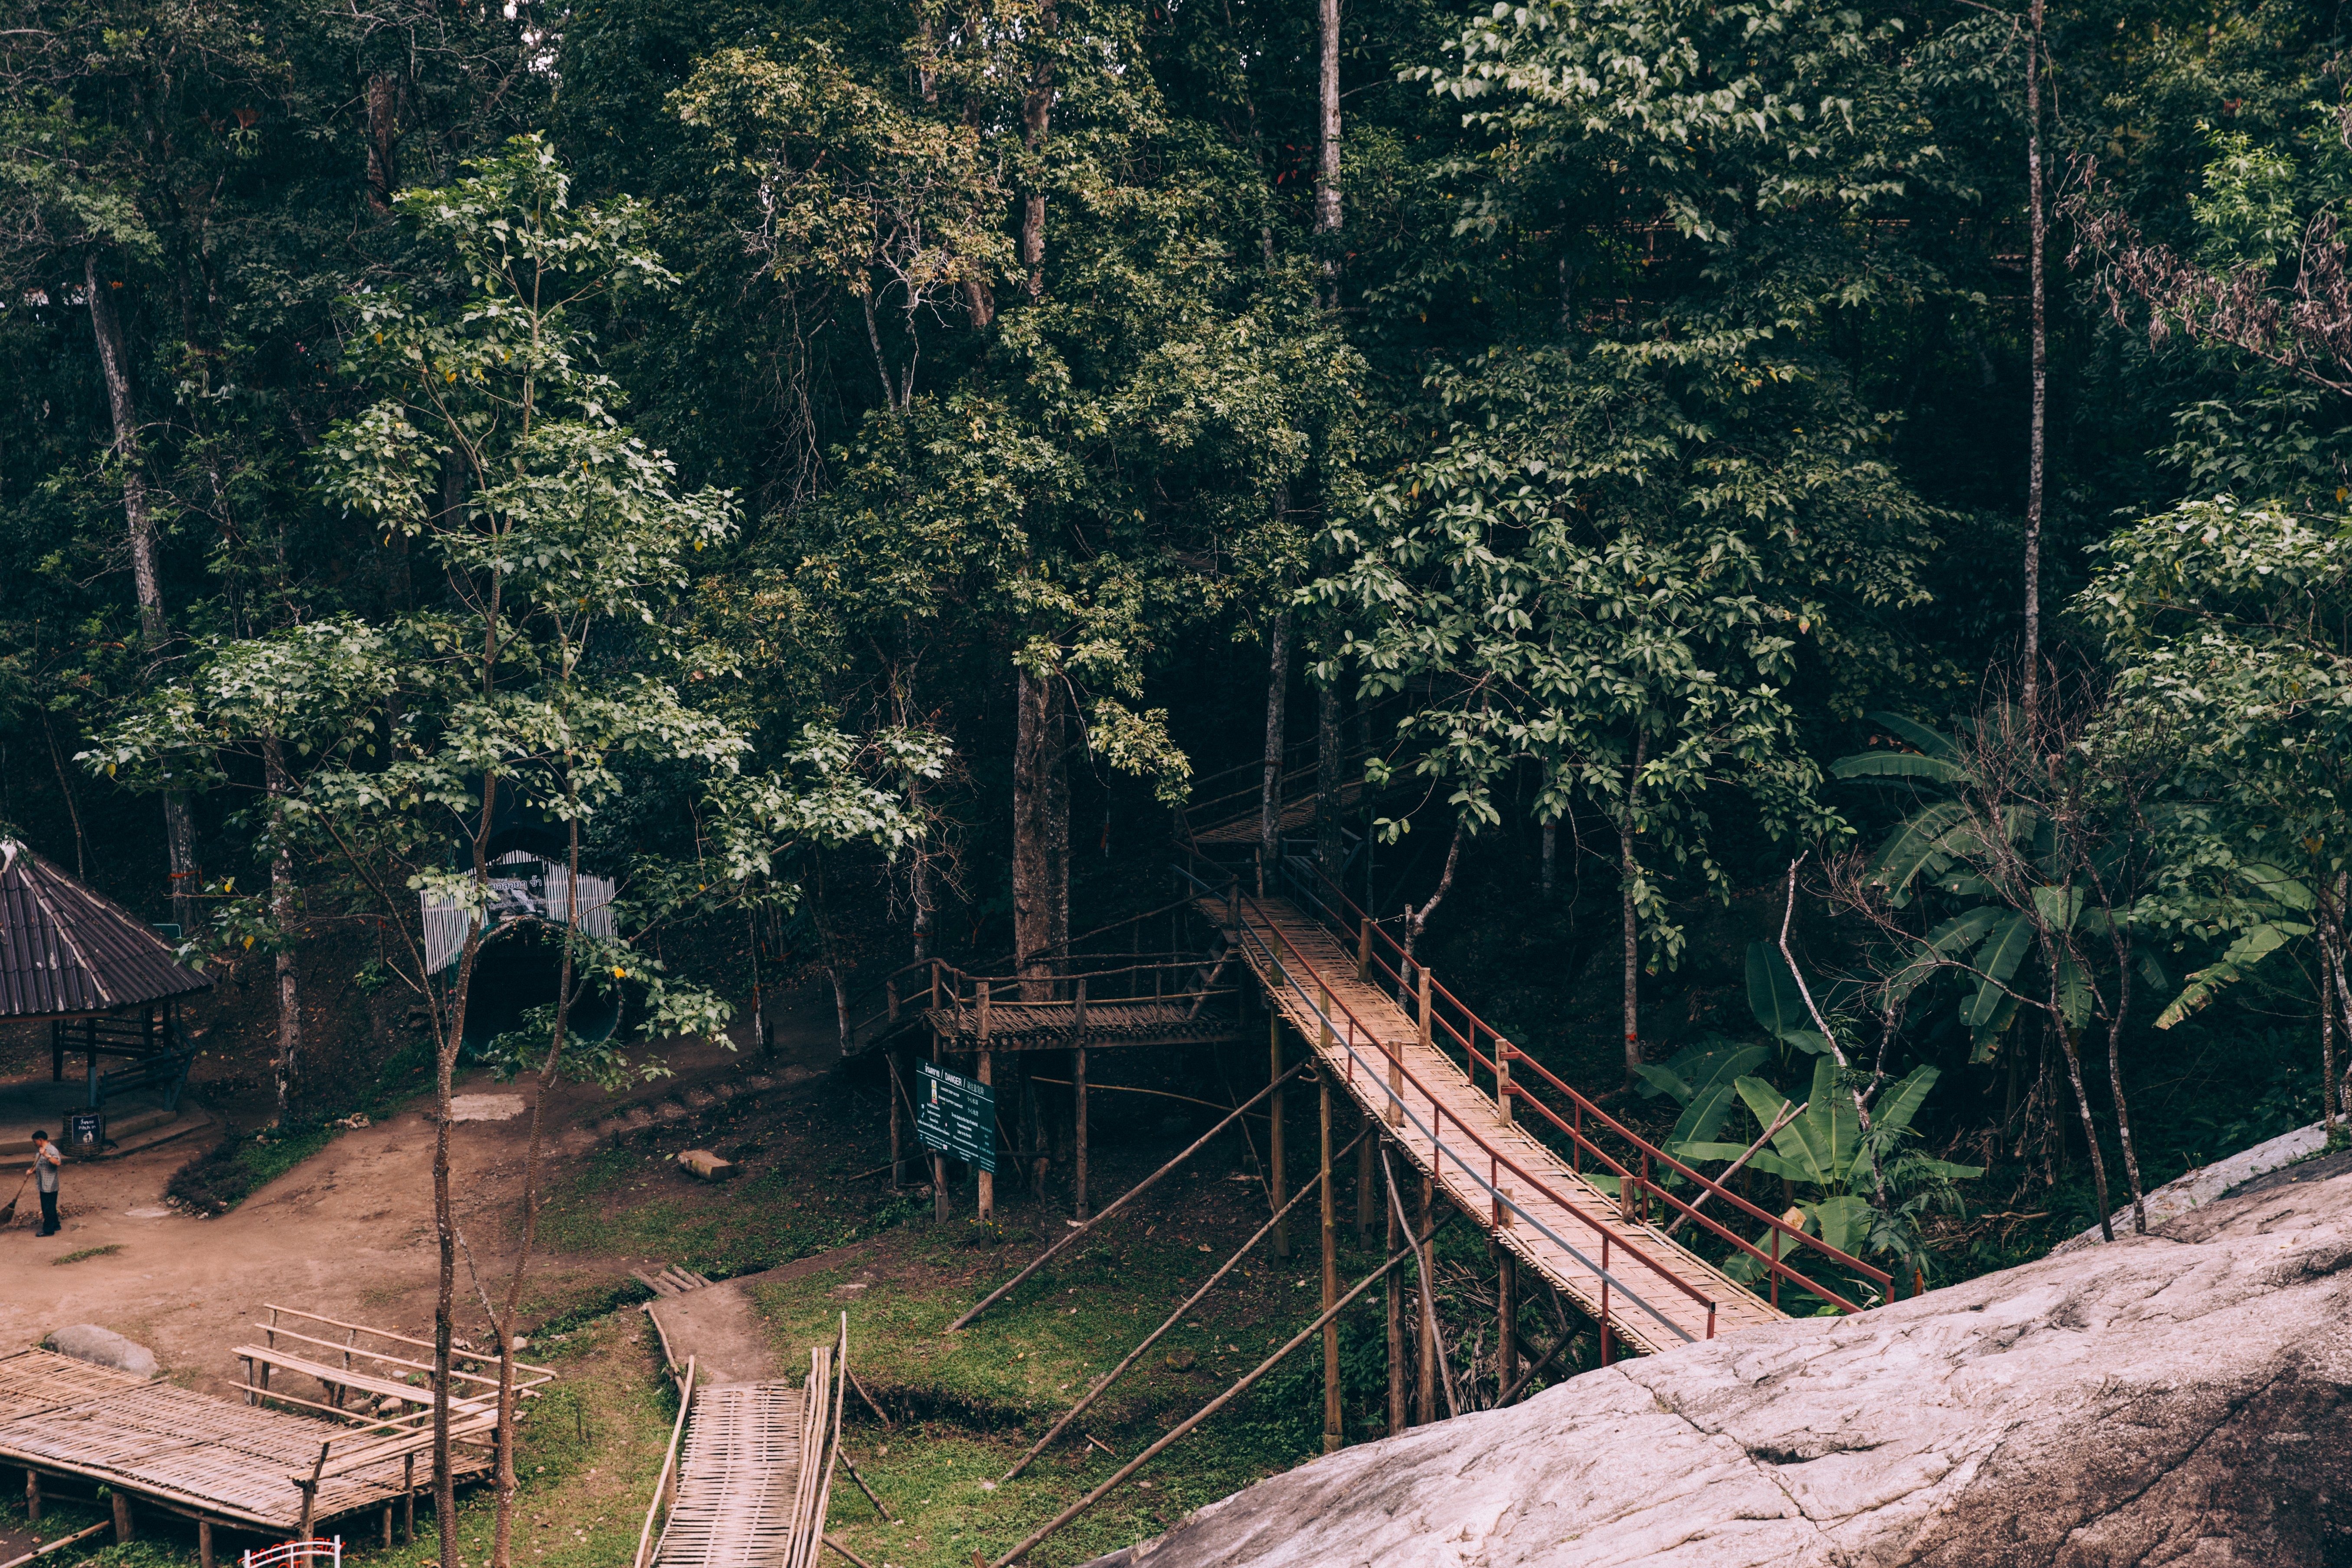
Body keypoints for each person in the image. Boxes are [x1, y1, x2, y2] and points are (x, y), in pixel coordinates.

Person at [28, 1131, 62, 1237]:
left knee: (47, 1208)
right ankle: (56, 1225)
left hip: (50, 1185)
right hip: (43, 1184)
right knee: (50, 1206)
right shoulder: (39, 1151)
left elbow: (58, 1163)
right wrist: (31, 1171)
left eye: (35, 1141)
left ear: (41, 1140)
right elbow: (39, 1165)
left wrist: (46, 1155)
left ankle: (48, 1230)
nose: (35, 1144)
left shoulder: (52, 1150)